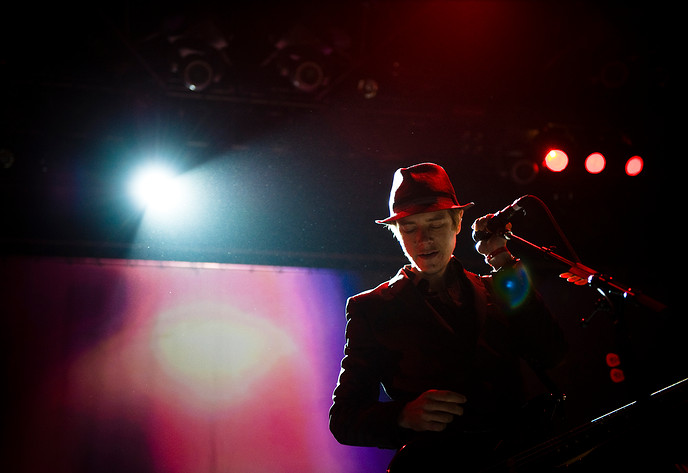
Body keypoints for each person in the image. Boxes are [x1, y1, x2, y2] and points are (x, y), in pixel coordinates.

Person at [329, 163, 568, 472]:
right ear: (397, 233)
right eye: (410, 228)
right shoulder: (371, 308)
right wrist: (403, 416)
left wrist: (503, 259)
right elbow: (344, 418)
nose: (423, 239)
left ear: (457, 223)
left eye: (435, 224)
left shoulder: (497, 288)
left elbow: (553, 353)